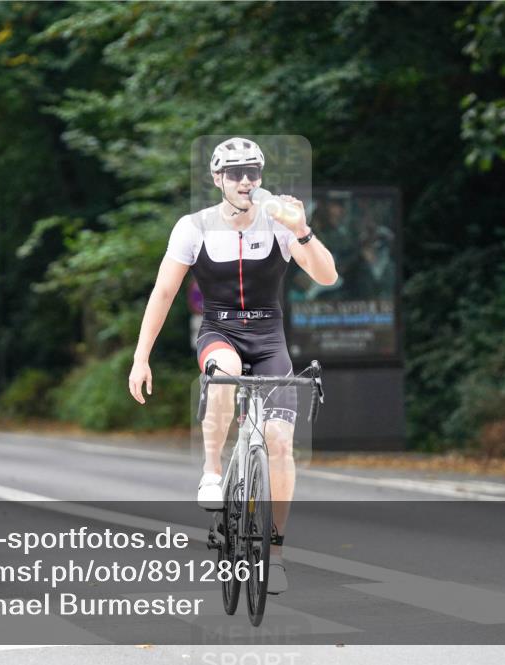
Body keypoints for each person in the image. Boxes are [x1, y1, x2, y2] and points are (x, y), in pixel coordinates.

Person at [128, 138, 337, 593]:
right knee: (222, 370)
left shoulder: (279, 222)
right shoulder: (193, 227)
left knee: (281, 444)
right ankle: (211, 471)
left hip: (268, 339)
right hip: (219, 330)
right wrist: (141, 357)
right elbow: (163, 294)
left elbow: (327, 275)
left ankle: (276, 552)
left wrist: (302, 230)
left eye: (253, 172)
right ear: (217, 178)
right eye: (236, 173)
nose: (246, 181)